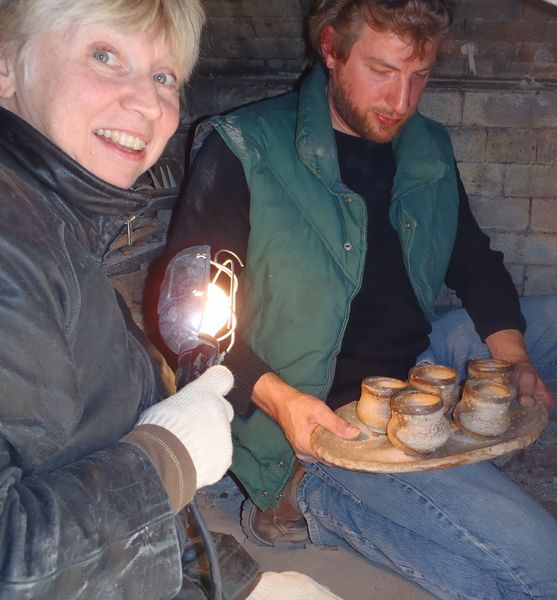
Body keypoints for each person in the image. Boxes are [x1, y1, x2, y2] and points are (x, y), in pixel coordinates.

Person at [163, 0, 557, 598]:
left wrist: (514, 355)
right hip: (322, 412)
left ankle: (424, 464)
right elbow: (188, 322)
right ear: (330, 49)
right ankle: (300, 498)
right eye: (381, 70)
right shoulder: (245, 148)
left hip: (414, 363)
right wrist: (282, 404)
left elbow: (473, 262)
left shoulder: (426, 146)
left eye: (418, 76)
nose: (401, 101)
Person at [0, 1, 342, 598]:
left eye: (164, 77)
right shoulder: (14, 246)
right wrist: (167, 455)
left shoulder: (55, 229)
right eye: (105, 56)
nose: (148, 103)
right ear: (7, 67)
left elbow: (90, 460)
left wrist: (232, 580)